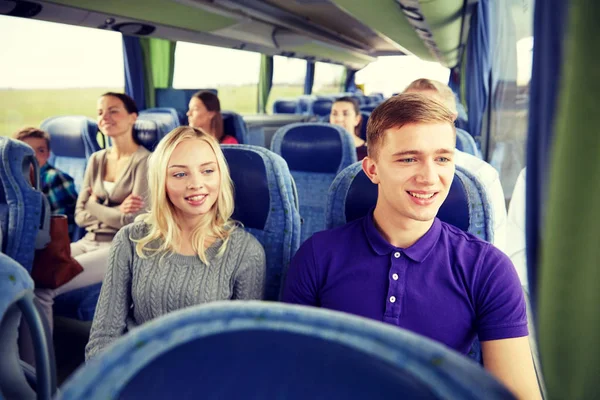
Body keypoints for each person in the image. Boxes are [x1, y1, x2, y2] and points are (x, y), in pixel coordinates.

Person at [282, 94, 541, 400]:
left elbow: (517, 395)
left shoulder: (488, 268)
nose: (429, 177)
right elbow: (290, 376)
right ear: (372, 169)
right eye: (408, 158)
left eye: (442, 158)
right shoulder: (316, 256)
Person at [85, 126, 266, 359]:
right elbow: (104, 336)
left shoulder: (246, 252)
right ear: (162, 182)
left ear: (221, 175)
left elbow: (244, 350)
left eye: (208, 171)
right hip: (136, 373)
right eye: (180, 174)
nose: (196, 184)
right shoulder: (131, 240)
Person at [34, 92, 151, 331]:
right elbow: (79, 215)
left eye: (113, 110)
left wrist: (93, 205)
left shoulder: (145, 161)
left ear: (132, 118)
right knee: (29, 276)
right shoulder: (96, 159)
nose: (105, 117)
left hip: (120, 248)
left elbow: (131, 221)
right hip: (88, 241)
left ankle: (42, 367)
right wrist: (113, 211)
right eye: (100, 112)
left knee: (45, 290)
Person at [403, 78, 507, 253]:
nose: (418, 123)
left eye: (431, 113)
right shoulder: (376, 170)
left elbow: (497, 246)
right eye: (409, 114)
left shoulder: (481, 175)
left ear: (452, 119)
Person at [13, 127, 78, 235]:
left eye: (41, 150)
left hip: (45, 242)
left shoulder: (54, 178)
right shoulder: (13, 180)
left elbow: (60, 225)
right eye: (27, 150)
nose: (34, 156)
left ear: (48, 154)